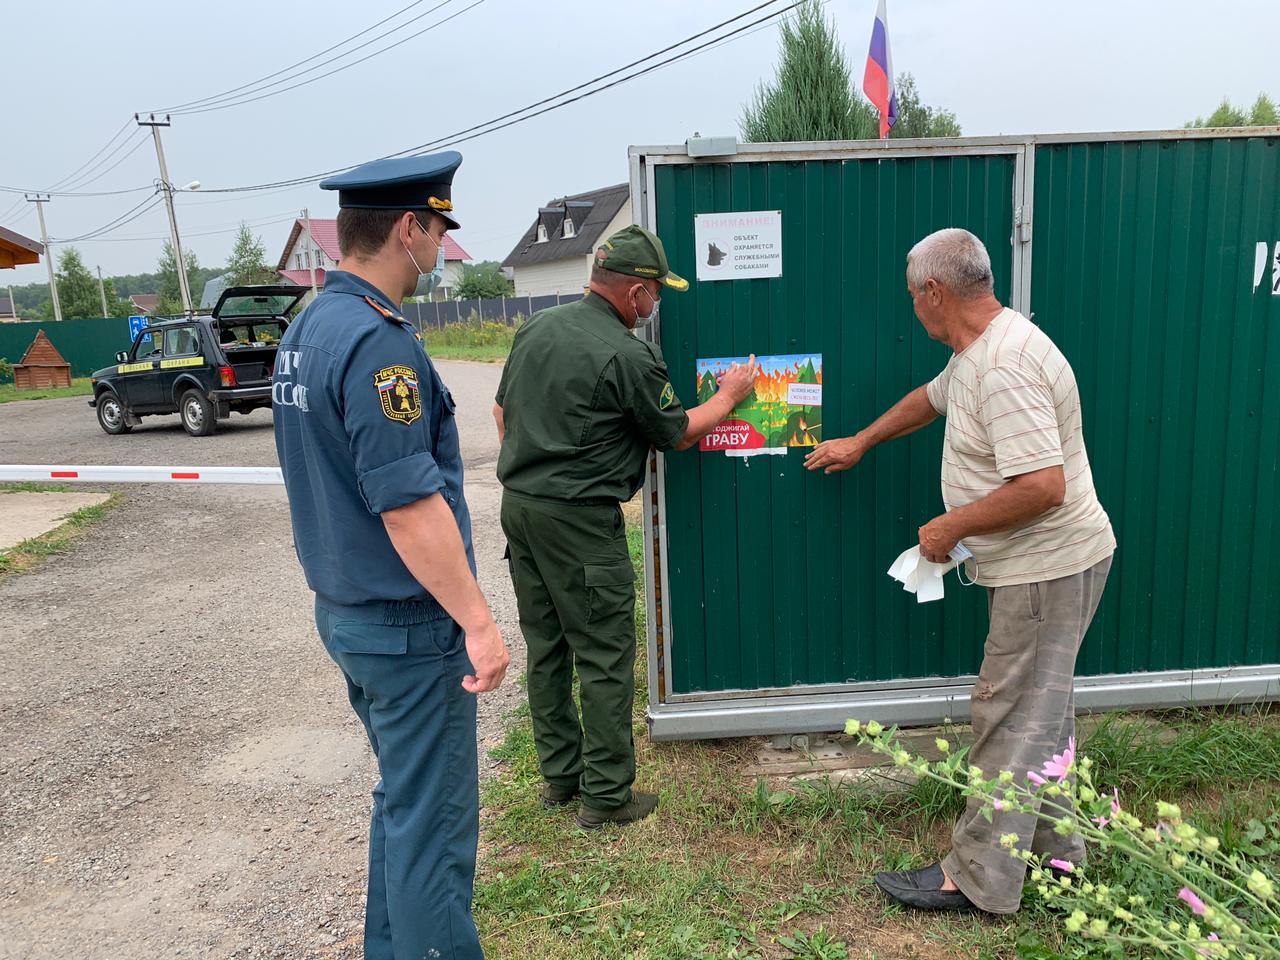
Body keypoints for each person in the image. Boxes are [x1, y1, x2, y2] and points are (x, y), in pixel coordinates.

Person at [805, 227, 1115, 915]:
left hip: (1046, 568)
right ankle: (1061, 857)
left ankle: (976, 877)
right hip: (1048, 565)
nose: (912, 309)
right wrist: (862, 440)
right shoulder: (979, 349)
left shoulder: (1004, 366)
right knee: (1042, 716)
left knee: (1008, 715)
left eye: (913, 297)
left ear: (935, 293)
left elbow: (1042, 486)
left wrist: (953, 525)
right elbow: (932, 398)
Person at [272, 150, 510, 960]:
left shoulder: (309, 325)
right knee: (435, 830)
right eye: (438, 230)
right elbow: (410, 508)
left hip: (349, 615)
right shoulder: (380, 345)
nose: (440, 249)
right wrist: (478, 622)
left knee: (405, 806)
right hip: (407, 628)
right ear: (408, 228)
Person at [493, 225, 758, 830]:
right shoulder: (627, 353)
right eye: (657, 293)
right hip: (581, 522)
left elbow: (502, 411)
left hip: (522, 510)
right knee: (605, 654)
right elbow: (680, 433)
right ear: (635, 292)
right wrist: (731, 394)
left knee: (548, 647)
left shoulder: (536, 327)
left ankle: (561, 778)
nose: (657, 304)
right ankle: (607, 796)